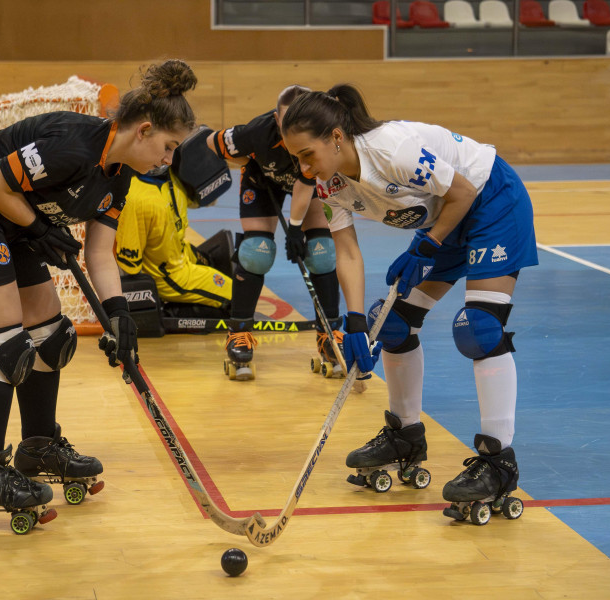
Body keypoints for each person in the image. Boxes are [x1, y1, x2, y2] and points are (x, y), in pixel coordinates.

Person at [0, 59, 198, 533]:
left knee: (53, 336)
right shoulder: (74, 145)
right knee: (6, 348)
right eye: (168, 147)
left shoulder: (121, 174)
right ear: (144, 130)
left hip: (6, 221)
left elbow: (100, 253)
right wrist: (40, 228)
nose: (168, 160)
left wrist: (119, 316)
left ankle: (38, 447)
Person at [281, 84, 536, 524]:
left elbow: (462, 193)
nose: (303, 169)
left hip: (490, 200)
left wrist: (428, 245)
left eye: (307, 155)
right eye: (296, 159)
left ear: (337, 137)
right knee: (390, 323)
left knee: (478, 328)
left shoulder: (391, 151)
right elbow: (347, 252)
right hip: (447, 218)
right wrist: (356, 323)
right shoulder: (331, 184)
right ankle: (406, 434)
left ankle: (499, 460)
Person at [206, 85, 343, 381]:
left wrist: (295, 230)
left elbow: (305, 184)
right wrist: (246, 160)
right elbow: (212, 142)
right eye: (285, 120)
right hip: (262, 181)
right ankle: (239, 333)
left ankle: (329, 332)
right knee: (256, 252)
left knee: (321, 253)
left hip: (308, 184)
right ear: (276, 118)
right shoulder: (256, 131)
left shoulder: (316, 132)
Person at [116, 128, 234, 322]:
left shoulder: (173, 175)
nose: (169, 157)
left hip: (181, 253)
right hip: (170, 276)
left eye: (173, 148)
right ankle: (172, 311)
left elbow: (200, 199)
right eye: (166, 148)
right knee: (239, 299)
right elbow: (129, 266)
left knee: (220, 263)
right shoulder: (137, 200)